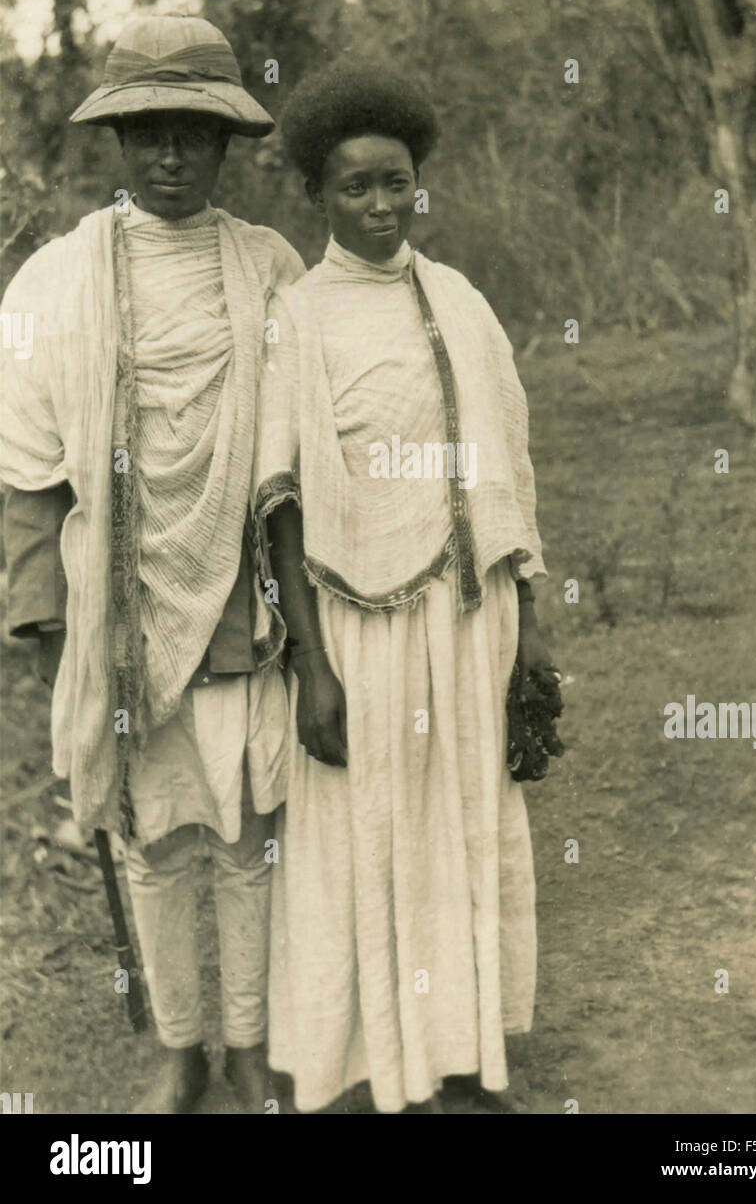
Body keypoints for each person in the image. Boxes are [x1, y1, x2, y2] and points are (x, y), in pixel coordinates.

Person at [0, 15, 304, 1113]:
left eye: (193, 134)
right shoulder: (54, 282)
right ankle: (180, 1049)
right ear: (116, 143)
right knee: (153, 838)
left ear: (227, 145)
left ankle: (253, 1044)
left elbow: (297, 454)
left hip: (239, 603)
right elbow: (31, 475)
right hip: (115, 611)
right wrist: (42, 623)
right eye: (147, 134)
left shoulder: (269, 268)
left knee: (247, 829)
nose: (170, 157)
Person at [253, 61, 560, 1113]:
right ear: (316, 196)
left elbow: (510, 467)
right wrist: (312, 666)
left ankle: (465, 1057)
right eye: (356, 188)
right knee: (372, 834)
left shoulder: (462, 300)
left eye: (396, 183)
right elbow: (282, 502)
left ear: (419, 183)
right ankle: (380, 1062)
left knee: (466, 829)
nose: (381, 207)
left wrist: (532, 630)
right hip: (359, 624)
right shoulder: (300, 316)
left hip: (470, 614)